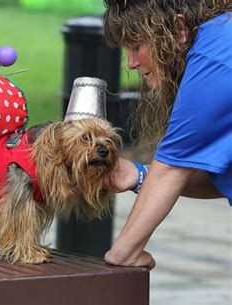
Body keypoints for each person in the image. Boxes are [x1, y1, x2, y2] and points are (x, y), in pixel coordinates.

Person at [102, 0, 232, 269]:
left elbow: (172, 168)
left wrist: (124, 253)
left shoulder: (217, 54)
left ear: (179, 28)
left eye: (137, 46)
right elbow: (221, 180)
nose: (132, 62)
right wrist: (140, 175)